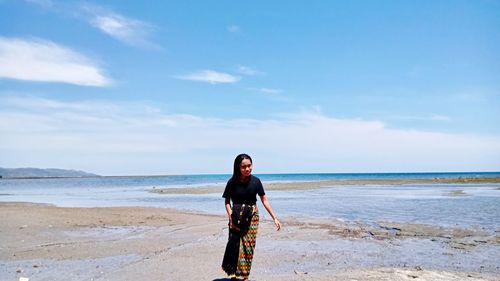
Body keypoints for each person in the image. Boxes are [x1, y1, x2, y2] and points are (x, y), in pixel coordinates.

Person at [221, 153, 282, 281]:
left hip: (252, 217)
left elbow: (264, 200)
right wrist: (230, 218)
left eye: (249, 166)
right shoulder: (232, 182)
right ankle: (233, 274)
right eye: (244, 167)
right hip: (235, 217)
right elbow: (227, 201)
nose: (247, 169)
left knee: (248, 247)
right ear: (238, 167)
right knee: (235, 245)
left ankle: (245, 277)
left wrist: (274, 218)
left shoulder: (256, 181)